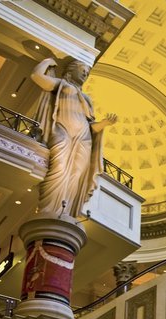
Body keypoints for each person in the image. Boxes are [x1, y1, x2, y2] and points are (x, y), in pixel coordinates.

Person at [31, 57, 117, 217]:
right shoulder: (62, 85)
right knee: (58, 168)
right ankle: (48, 210)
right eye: (82, 68)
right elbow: (37, 77)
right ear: (71, 70)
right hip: (62, 132)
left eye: (88, 71)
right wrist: (47, 61)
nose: (86, 72)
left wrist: (104, 123)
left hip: (84, 138)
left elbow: (91, 126)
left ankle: (66, 212)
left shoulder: (87, 99)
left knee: (77, 174)